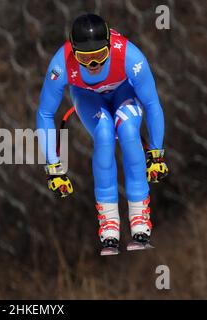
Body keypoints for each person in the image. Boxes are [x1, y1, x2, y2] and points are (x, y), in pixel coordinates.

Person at [36, 13, 168, 254]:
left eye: (100, 56)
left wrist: (157, 155)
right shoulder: (61, 64)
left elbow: (152, 104)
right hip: (86, 98)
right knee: (105, 135)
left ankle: (140, 217)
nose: (94, 65)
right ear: (74, 53)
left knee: (128, 132)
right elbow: (45, 113)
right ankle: (108, 221)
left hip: (122, 91)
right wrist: (53, 168)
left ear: (109, 47)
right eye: (85, 59)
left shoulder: (130, 56)